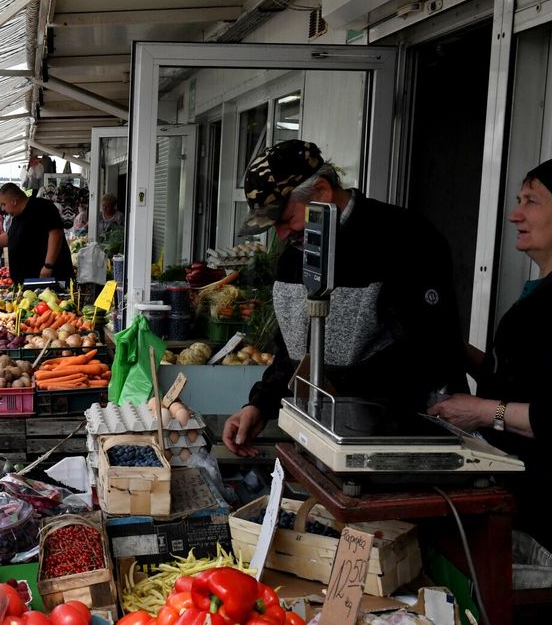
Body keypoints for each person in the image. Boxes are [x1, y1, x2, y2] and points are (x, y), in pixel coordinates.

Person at [221, 140, 465, 457]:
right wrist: (260, 404)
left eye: (285, 218)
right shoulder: (293, 259)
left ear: (322, 191)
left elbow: (429, 352)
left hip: (388, 442)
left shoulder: (404, 241)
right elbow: (289, 352)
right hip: (317, 434)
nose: (281, 235)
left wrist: (344, 401)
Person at [427, 161, 552, 549]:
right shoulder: (537, 290)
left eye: (531, 201)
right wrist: (462, 353)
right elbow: (520, 380)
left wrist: (483, 411)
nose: (516, 214)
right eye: (518, 200)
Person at [0, 182, 74, 282]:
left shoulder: (42, 207)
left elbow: (56, 234)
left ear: (14, 201)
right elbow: (10, 236)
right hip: (28, 280)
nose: (2, 208)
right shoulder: (17, 217)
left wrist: (48, 265)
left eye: (4, 204)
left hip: (47, 278)